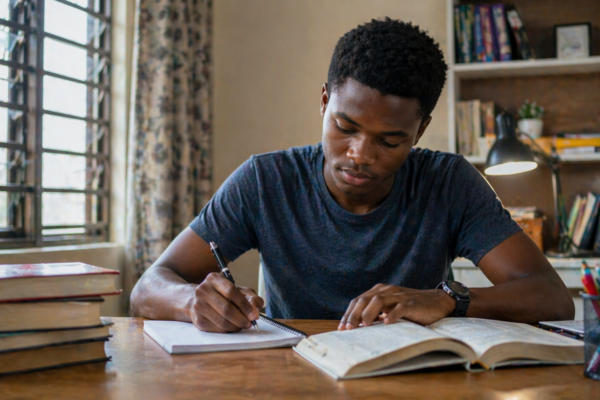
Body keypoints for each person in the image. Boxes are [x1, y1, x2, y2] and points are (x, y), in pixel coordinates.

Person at [130, 18, 574, 333]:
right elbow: (149, 286)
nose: (359, 155)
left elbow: (551, 298)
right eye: (345, 128)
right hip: (295, 375)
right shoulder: (266, 180)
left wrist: (447, 299)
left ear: (420, 130)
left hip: (414, 377)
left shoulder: (448, 182)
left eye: (390, 140)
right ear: (324, 102)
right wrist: (193, 301)